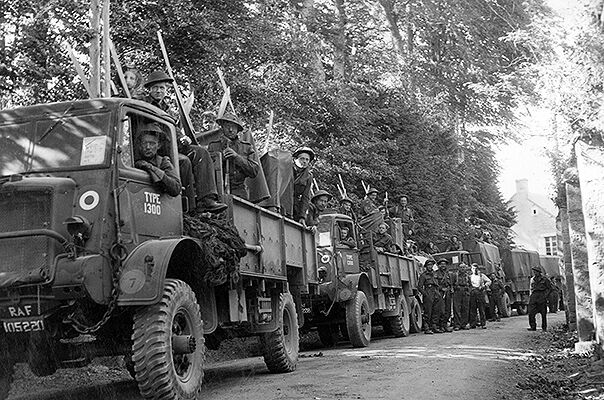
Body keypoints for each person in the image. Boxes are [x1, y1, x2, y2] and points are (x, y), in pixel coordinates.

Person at [141, 71, 226, 213]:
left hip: (171, 144)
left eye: (162, 88)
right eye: (155, 87)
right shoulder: (143, 102)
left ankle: (207, 200)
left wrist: (182, 136)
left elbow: (172, 126)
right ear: (149, 89)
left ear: (166, 90)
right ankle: (189, 207)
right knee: (184, 161)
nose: (158, 91)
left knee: (201, 153)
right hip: (155, 147)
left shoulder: (166, 108)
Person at [208, 112, 260, 200]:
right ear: (222, 127)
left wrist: (237, 157)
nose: (231, 130)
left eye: (233, 127)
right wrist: (220, 160)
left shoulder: (246, 147)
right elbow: (207, 170)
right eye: (227, 126)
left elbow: (254, 171)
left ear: (238, 129)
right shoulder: (213, 146)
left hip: (239, 192)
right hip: (217, 191)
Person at [133, 123, 181, 196]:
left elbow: (176, 188)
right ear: (140, 145)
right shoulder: (132, 159)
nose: (148, 147)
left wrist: (151, 168)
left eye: (152, 143)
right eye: (144, 143)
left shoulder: (163, 162)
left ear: (158, 146)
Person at [418, 260, 443, 334]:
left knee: (436, 310)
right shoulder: (423, 275)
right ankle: (427, 328)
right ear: (426, 266)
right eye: (428, 265)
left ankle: (434, 327)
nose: (430, 266)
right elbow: (419, 287)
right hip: (428, 292)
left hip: (436, 292)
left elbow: (438, 283)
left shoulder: (435, 274)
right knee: (428, 311)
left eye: (431, 265)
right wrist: (425, 294)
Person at [292, 147, 315, 223]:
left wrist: (302, 217)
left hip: (294, 205)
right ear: (295, 159)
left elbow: (305, 197)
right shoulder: (287, 169)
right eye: (302, 158)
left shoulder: (308, 176)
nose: (304, 161)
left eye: (307, 159)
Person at [527, 266, 552, 331]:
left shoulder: (545, 279)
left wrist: (545, 296)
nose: (535, 273)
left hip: (542, 295)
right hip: (534, 296)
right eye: (534, 271)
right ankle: (533, 326)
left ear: (539, 272)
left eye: (536, 271)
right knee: (531, 312)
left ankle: (544, 327)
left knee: (543, 313)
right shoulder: (533, 279)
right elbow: (531, 288)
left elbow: (549, 288)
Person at [468, 263, 491, 329]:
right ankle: (473, 324)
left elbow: (489, 281)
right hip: (472, 293)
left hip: (480, 293)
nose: (474, 270)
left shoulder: (481, 275)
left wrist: (484, 286)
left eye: (475, 268)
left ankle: (483, 324)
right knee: (472, 309)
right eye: (472, 268)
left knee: (481, 309)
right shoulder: (469, 276)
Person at [434, 259, 453, 332]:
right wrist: (441, 289)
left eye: (444, 264)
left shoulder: (448, 273)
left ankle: (445, 325)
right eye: (441, 264)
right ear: (439, 265)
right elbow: (435, 284)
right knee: (441, 310)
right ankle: (440, 325)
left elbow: (450, 283)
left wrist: (450, 289)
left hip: (447, 293)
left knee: (448, 309)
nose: (443, 265)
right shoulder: (436, 273)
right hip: (440, 293)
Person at [452, 262, 471, 330]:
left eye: (464, 267)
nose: (462, 269)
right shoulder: (455, 275)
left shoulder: (467, 276)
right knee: (457, 308)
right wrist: (455, 288)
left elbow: (470, 285)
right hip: (457, 292)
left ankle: (464, 324)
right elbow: (451, 284)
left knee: (465, 308)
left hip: (465, 292)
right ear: (458, 268)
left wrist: (468, 291)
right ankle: (457, 325)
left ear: (465, 268)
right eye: (461, 267)